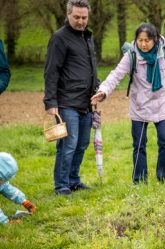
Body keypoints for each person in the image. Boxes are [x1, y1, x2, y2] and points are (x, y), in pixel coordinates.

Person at [91, 23, 165, 183]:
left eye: (147, 40)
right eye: (140, 40)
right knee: (139, 145)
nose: (143, 44)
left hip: (162, 104)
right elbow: (116, 75)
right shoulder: (131, 55)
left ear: (156, 39)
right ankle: (139, 181)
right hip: (139, 105)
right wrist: (103, 91)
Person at [43, 0, 99, 196]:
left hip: (86, 102)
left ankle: (74, 180)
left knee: (82, 143)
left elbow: (91, 67)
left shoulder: (88, 37)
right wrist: (51, 102)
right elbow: (51, 72)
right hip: (66, 102)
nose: (81, 21)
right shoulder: (59, 38)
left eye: (84, 17)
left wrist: (97, 89)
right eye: (77, 17)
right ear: (68, 15)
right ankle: (62, 185)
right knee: (68, 144)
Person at [0, 153, 36, 224]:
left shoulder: (1, 182)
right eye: (2, 180)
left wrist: (23, 201)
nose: (4, 182)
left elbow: (8, 189)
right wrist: (5, 222)